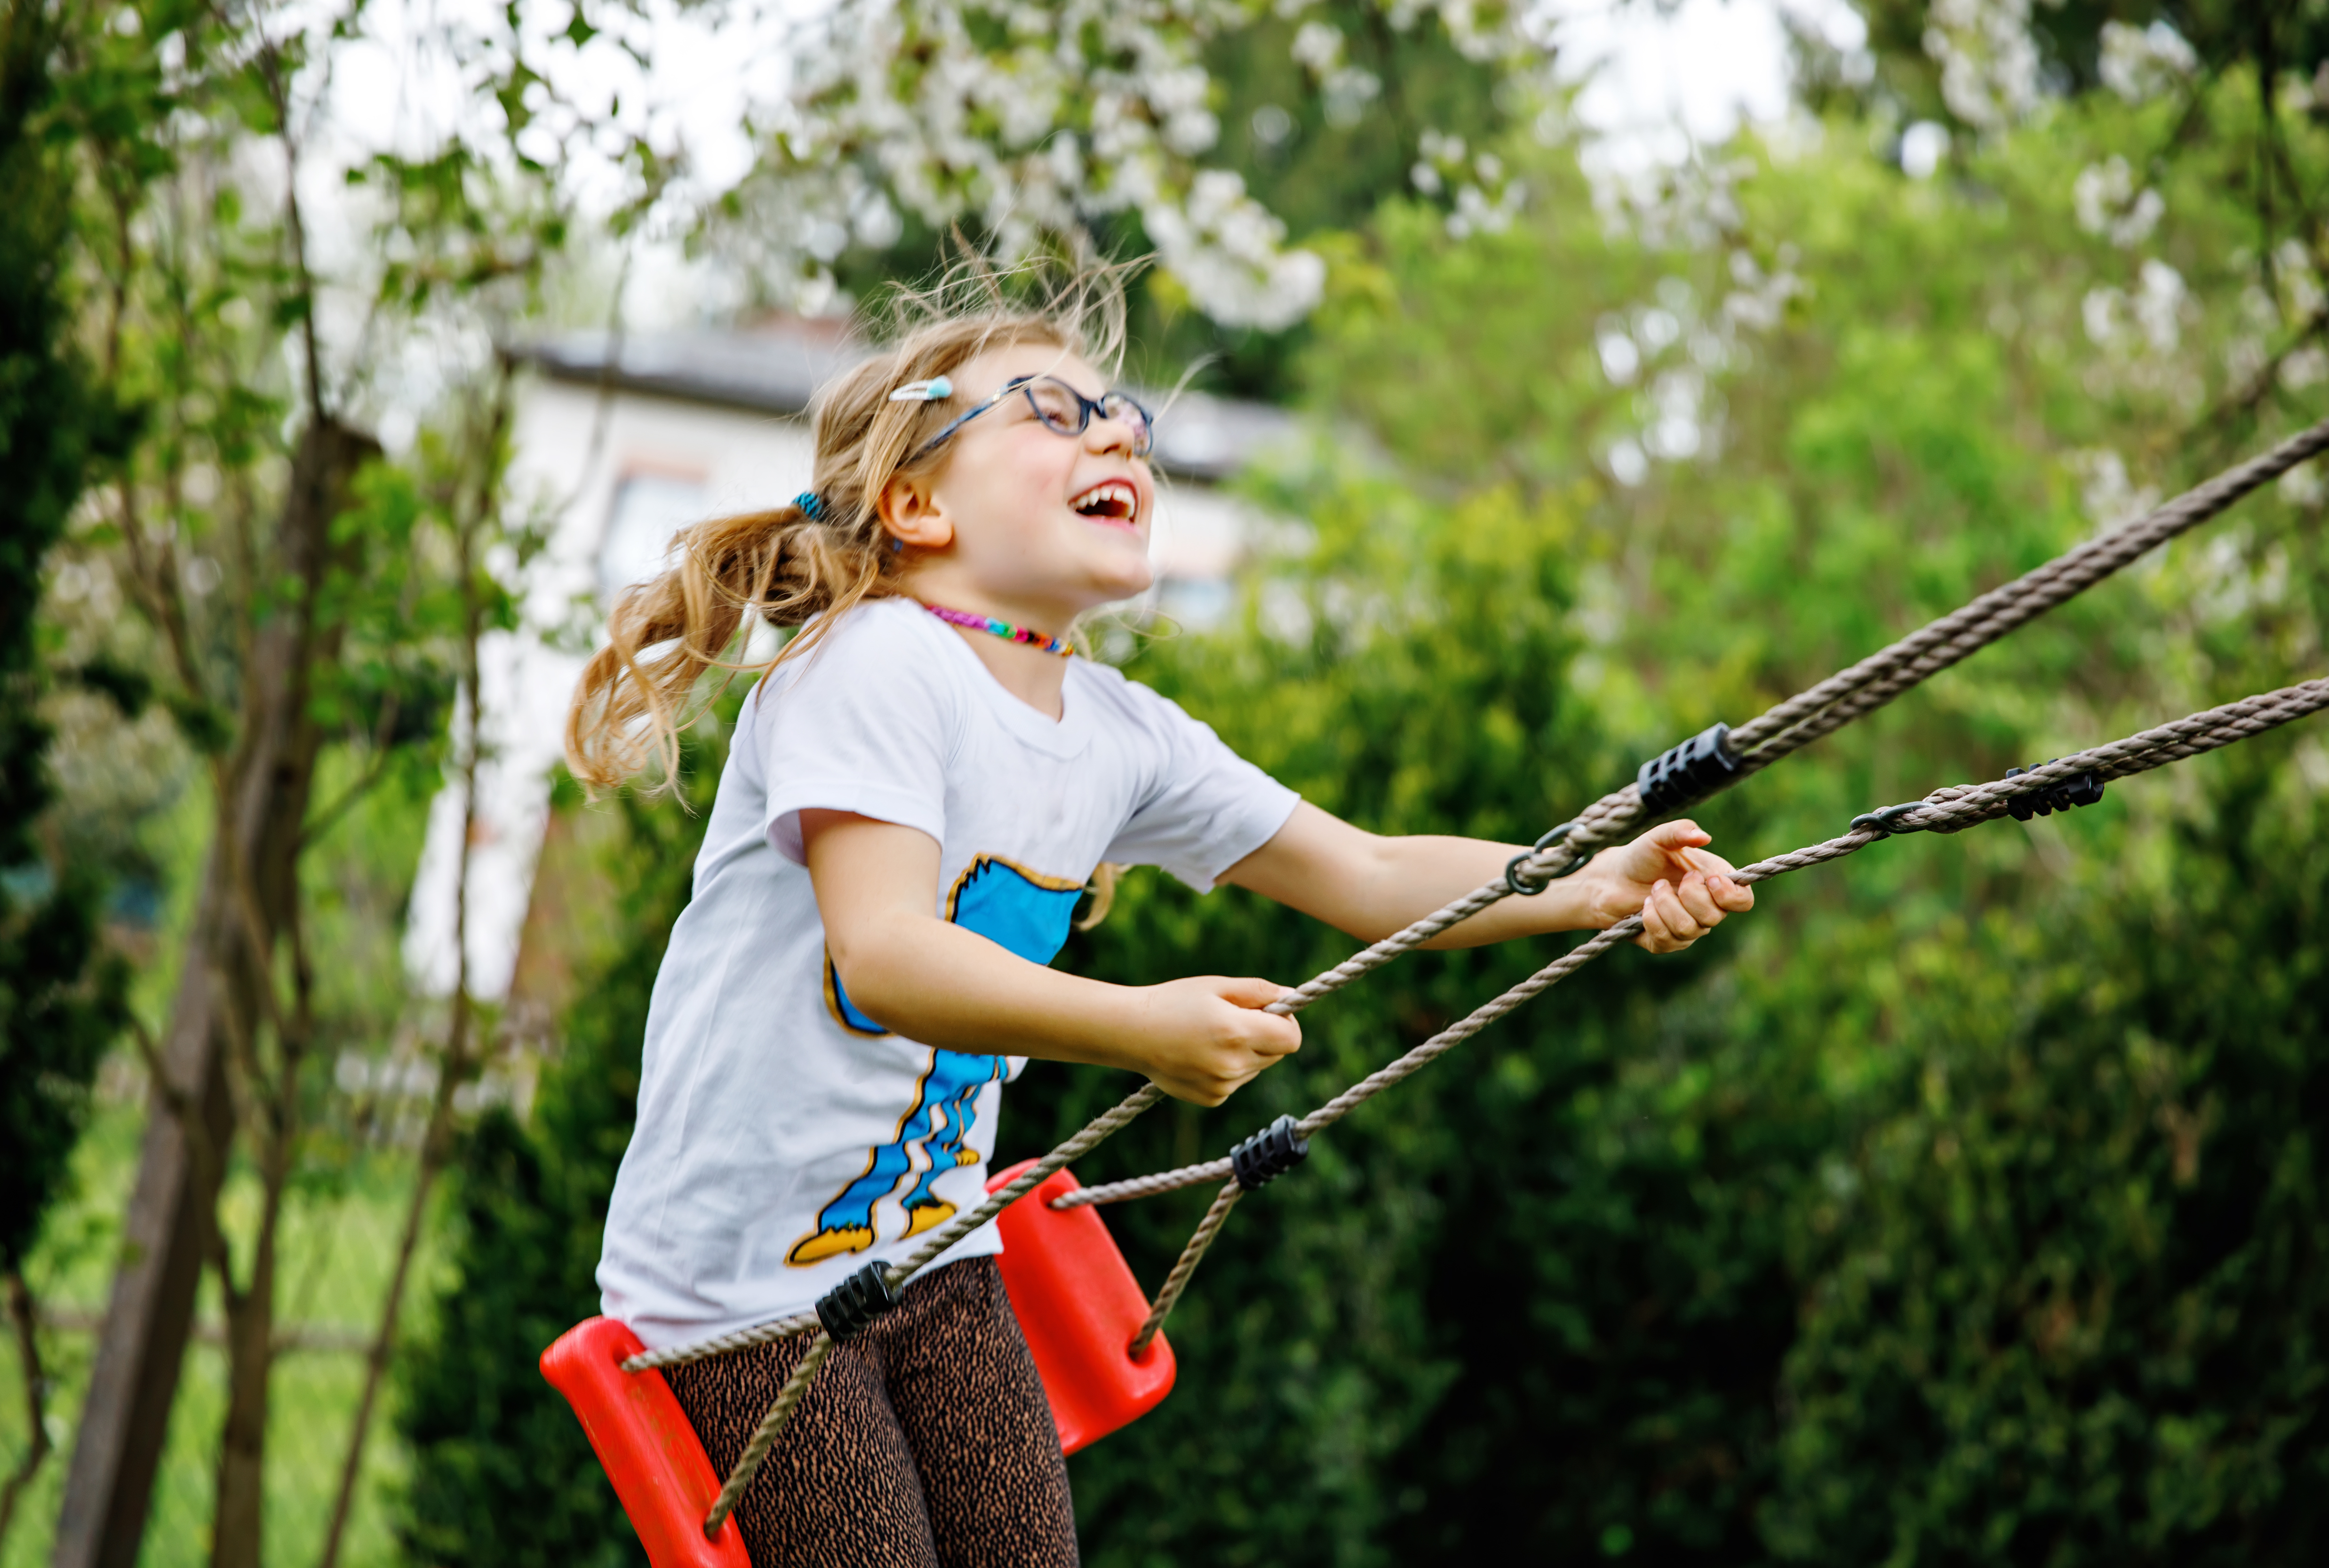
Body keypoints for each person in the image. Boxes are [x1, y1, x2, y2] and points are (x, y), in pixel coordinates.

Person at [564, 267, 1755, 1568]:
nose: (1121, 432)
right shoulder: (871, 664)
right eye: (1051, 413)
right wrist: (1140, 1027)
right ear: (913, 503)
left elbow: (1361, 874)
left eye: (1120, 415)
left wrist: (1587, 883)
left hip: (936, 1253)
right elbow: (889, 953)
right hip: (741, 1300)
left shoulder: (1123, 732)